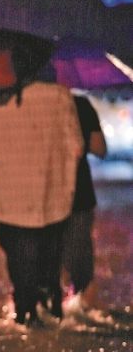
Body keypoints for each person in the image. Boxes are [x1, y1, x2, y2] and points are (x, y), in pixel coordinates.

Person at [0, 64, 83, 327]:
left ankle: (24, 309)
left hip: (12, 201)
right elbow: (76, 149)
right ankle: (51, 303)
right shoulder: (60, 97)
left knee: (19, 261)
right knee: (50, 258)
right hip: (53, 199)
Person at [62, 95, 107, 313]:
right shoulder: (80, 105)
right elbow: (100, 147)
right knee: (80, 259)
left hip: (39, 196)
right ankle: (84, 303)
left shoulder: (23, 104)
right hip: (79, 192)